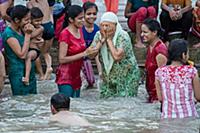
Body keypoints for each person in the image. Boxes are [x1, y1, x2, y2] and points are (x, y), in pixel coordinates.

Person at [91, 12, 140, 98]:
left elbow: (117, 57)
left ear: (115, 25)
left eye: (107, 26)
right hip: (109, 76)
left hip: (127, 76)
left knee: (125, 102)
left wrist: (109, 40)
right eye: (102, 25)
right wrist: (101, 41)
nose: (104, 28)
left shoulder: (123, 36)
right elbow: (90, 55)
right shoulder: (99, 35)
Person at [55, 5, 98, 98]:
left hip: (77, 75)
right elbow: (61, 59)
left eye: (83, 17)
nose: (83, 20)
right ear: (71, 19)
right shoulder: (65, 34)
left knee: (76, 106)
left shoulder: (80, 31)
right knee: (66, 106)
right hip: (65, 76)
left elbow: (85, 54)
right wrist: (84, 53)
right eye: (80, 18)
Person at [155, 39, 200, 119]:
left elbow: (160, 98)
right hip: (188, 116)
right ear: (183, 55)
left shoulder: (159, 72)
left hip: (167, 118)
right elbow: (198, 97)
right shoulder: (191, 71)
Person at [2, 5, 37, 95]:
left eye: (29, 19)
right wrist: (28, 35)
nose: (29, 22)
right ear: (17, 20)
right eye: (26, 20)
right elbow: (22, 55)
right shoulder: (9, 34)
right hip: (18, 73)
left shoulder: (21, 29)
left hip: (30, 72)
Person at [141, 18, 168, 103]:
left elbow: (163, 79)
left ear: (154, 32)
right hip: (150, 94)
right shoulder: (150, 46)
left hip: (158, 97)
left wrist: (159, 99)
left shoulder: (160, 51)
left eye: (145, 32)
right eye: (142, 32)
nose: (142, 34)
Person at [27, 0, 55, 80]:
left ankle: (41, 74)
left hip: (39, 25)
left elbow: (30, 16)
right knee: (46, 52)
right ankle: (49, 67)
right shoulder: (46, 1)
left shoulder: (30, 3)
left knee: (36, 52)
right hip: (49, 25)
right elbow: (51, 12)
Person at [22, 7, 44, 85]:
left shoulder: (41, 28)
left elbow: (31, 35)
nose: (39, 23)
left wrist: (27, 31)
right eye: (37, 21)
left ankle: (27, 77)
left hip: (34, 50)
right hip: (26, 48)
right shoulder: (28, 25)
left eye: (41, 20)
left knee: (28, 57)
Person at [82, 1, 99, 88]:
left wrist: (101, 73)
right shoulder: (79, 29)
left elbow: (97, 52)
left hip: (92, 55)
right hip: (80, 57)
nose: (92, 16)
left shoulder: (97, 29)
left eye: (94, 14)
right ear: (83, 14)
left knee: (92, 82)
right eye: (89, 14)